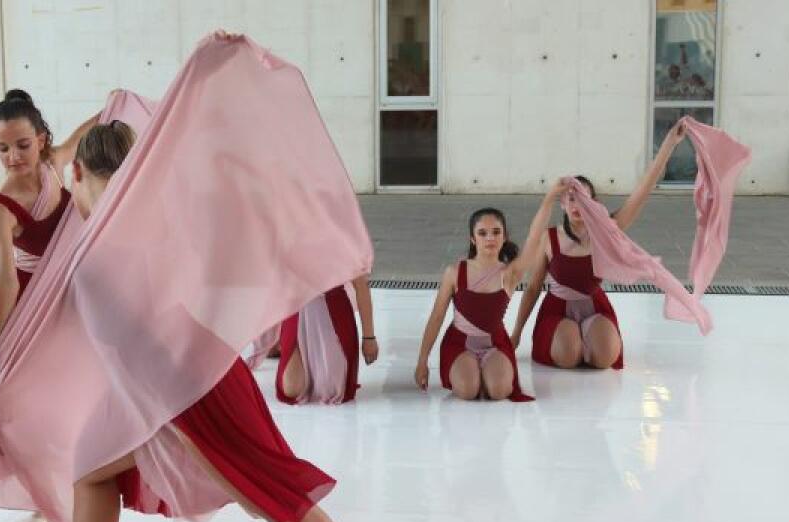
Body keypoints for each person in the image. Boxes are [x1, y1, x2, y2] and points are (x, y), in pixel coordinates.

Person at [39, 122, 380, 522]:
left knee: (280, 500)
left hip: (192, 393)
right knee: (89, 470)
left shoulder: (109, 245)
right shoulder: (142, 229)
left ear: (76, 173)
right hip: (150, 390)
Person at [0, 89, 98, 522]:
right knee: (26, 405)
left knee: (71, 392)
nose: (13, 157)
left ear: (43, 140)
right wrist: (2, 346)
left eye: (22, 145)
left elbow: (86, 131)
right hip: (22, 304)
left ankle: (74, 478)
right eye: (3, 148)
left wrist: (112, 104)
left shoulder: (55, 164)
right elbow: (6, 279)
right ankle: (41, 497)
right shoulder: (0, 206)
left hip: (65, 296)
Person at [511, 121, 688, 369]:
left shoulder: (607, 231)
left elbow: (642, 191)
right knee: (568, 355)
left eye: (583, 199)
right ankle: (573, 337)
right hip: (557, 309)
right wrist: (516, 333)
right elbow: (531, 289)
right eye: (571, 199)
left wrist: (669, 144)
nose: (576, 206)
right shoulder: (549, 238)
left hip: (594, 307)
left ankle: (587, 337)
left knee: (604, 359)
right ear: (562, 203)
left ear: (594, 203)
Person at [413, 187, 559, 400]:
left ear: (504, 236)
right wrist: (422, 361)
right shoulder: (454, 273)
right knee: (467, 391)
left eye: (496, 232)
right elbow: (436, 317)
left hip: (495, 343)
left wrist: (549, 198)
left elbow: (535, 237)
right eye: (482, 233)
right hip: (459, 342)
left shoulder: (510, 273)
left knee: (499, 391)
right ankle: (472, 372)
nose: (490, 238)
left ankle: (485, 372)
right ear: (473, 239)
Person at [274, 277, 378, 405]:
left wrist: (369, 337)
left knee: (330, 390)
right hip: (296, 312)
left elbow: (361, 286)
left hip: (334, 314)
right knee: (292, 390)